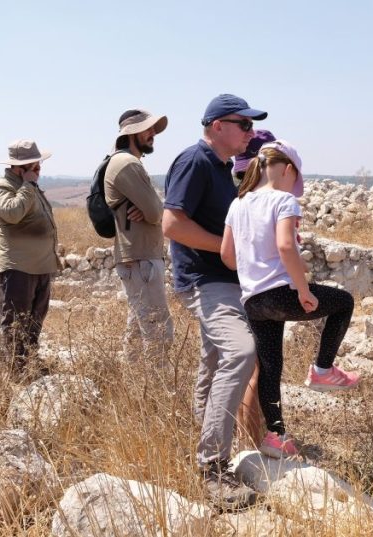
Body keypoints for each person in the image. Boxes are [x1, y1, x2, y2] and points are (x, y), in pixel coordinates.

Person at [220, 140, 360, 459]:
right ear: (287, 170)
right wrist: (303, 290)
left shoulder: (238, 203)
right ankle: (323, 369)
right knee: (345, 303)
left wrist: (253, 266)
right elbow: (286, 246)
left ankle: (276, 436)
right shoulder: (283, 201)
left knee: (271, 366)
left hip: (252, 301)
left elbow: (228, 255)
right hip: (280, 293)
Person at [162, 94, 267, 510]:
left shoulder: (222, 169)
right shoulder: (195, 161)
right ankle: (212, 467)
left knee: (213, 359)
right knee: (242, 351)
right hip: (206, 280)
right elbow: (172, 224)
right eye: (244, 125)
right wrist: (230, 251)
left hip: (222, 279)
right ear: (218, 125)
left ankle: (204, 446)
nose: (250, 133)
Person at [104, 109, 174, 361]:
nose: (153, 133)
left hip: (138, 256)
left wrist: (151, 209)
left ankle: (133, 386)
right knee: (158, 331)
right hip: (140, 258)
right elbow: (156, 212)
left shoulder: (128, 162)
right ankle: (157, 391)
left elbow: (153, 211)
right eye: (148, 128)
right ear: (131, 132)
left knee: (137, 328)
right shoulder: (127, 164)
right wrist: (153, 208)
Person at [0, 139, 60, 371]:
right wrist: (28, 186)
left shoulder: (29, 187)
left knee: (35, 321)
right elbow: (12, 213)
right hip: (19, 267)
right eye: (35, 168)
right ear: (20, 168)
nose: (39, 172)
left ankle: (29, 363)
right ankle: (15, 370)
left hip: (40, 266)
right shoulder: (3, 187)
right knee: (16, 323)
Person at [230, 129, 277, 449]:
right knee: (257, 369)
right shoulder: (261, 199)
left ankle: (252, 440)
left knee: (251, 368)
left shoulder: (236, 191)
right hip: (254, 291)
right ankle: (252, 446)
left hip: (236, 287)